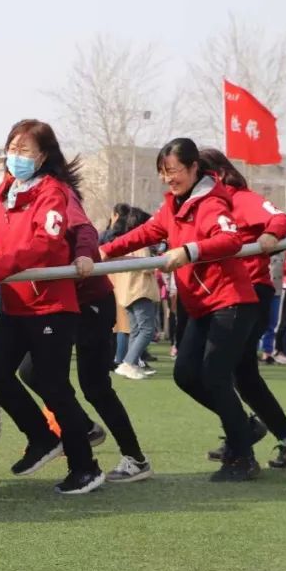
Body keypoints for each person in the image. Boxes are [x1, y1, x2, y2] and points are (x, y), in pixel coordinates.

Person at [0, 119, 104, 494]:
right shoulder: (6, 190)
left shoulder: (52, 192)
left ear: (42, 156)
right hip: (17, 305)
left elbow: (46, 245)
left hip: (51, 305)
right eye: (12, 148)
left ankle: (85, 467)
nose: (15, 156)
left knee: (54, 387)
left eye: (24, 150)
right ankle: (41, 438)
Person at [102, 138, 261, 481]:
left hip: (230, 302)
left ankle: (243, 457)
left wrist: (189, 251)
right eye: (163, 172)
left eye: (173, 171)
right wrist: (105, 251)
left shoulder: (212, 203)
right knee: (186, 375)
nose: (167, 178)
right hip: (201, 305)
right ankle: (243, 426)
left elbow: (231, 240)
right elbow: (146, 232)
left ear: (193, 168)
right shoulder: (173, 206)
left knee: (215, 376)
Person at [19, 171, 152, 483]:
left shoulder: (59, 194)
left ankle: (135, 458)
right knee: (31, 370)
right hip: (59, 305)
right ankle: (84, 426)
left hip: (90, 302)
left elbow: (86, 232)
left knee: (94, 386)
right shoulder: (20, 200)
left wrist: (82, 255)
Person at [198, 147, 286, 468]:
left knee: (219, 372)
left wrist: (270, 235)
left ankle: (246, 434)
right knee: (242, 375)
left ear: (216, 174)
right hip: (228, 297)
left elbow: (280, 218)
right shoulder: (209, 205)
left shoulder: (240, 199)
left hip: (251, 294)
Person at [111, 206, 160, 379]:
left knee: (136, 330)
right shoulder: (141, 243)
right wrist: (158, 259)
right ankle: (129, 362)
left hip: (127, 292)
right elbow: (147, 267)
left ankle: (131, 364)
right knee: (147, 329)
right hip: (140, 291)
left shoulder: (125, 242)